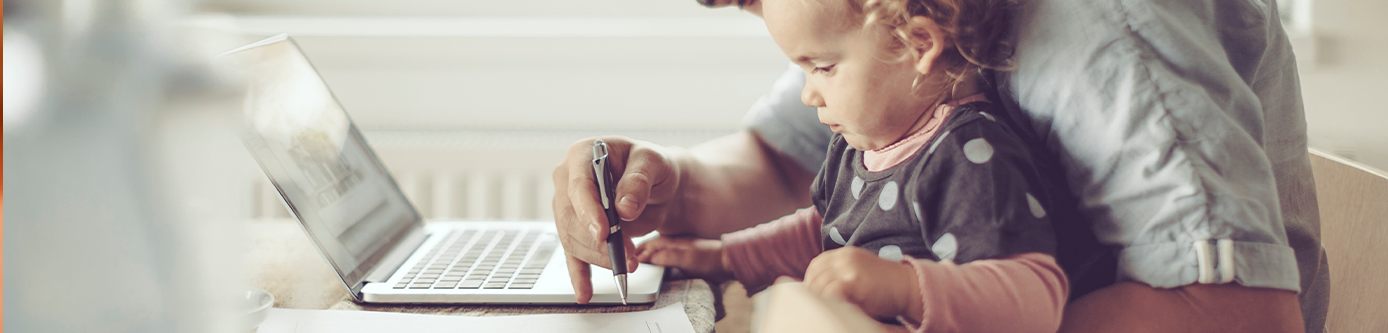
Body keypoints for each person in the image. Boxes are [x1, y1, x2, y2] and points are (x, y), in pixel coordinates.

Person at [552, 0, 1326, 332]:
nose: (811, 86)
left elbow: (1242, 319)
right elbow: (792, 162)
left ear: (914, 40)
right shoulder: (890, 30)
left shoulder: (1105, 29)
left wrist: (919, 300)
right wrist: (668, 185)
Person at [635, 0, 1082, 330]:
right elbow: (825, 230)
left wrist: (904, 288)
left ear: (918, 44)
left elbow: (1035, 298)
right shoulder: (859, 146)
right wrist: (728, 257)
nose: (809, 94)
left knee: (792, 310)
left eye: (823, 67)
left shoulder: (970, 153)